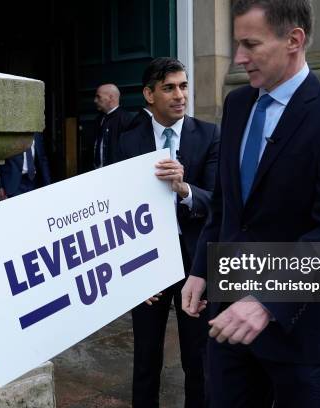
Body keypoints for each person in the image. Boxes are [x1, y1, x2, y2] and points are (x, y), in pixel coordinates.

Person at [181, 1, 320, 407]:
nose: (239, 58)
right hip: (227, 319)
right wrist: (201, 269)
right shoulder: (236, 105)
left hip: (298, 328)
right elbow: (227, 205)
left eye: (250, 44)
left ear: (293, 40)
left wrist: (268, 300)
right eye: (236, 44)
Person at [116, 57, 220, 408]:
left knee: (198, 358)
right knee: (145, 357)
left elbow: (217, 202)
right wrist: (131, 270)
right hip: (147, 261)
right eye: (169, 88)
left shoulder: (209, 135)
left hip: (196, 262)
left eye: (184, 86)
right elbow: (114, 208)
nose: (180, 95)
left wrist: (183, 188)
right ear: (149, 94)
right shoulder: (127, 140)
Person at [0, 132, 51, 199]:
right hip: (13, 183)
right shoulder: (9, 131)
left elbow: (42, 159)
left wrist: (48, 185)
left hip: (34, 182)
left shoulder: (37, 134)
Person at [93, 83, 133, 167]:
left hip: (117, 174)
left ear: (110, 97)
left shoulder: (126, 119)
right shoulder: (98, 119)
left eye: (98, 97)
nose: (95, 100)